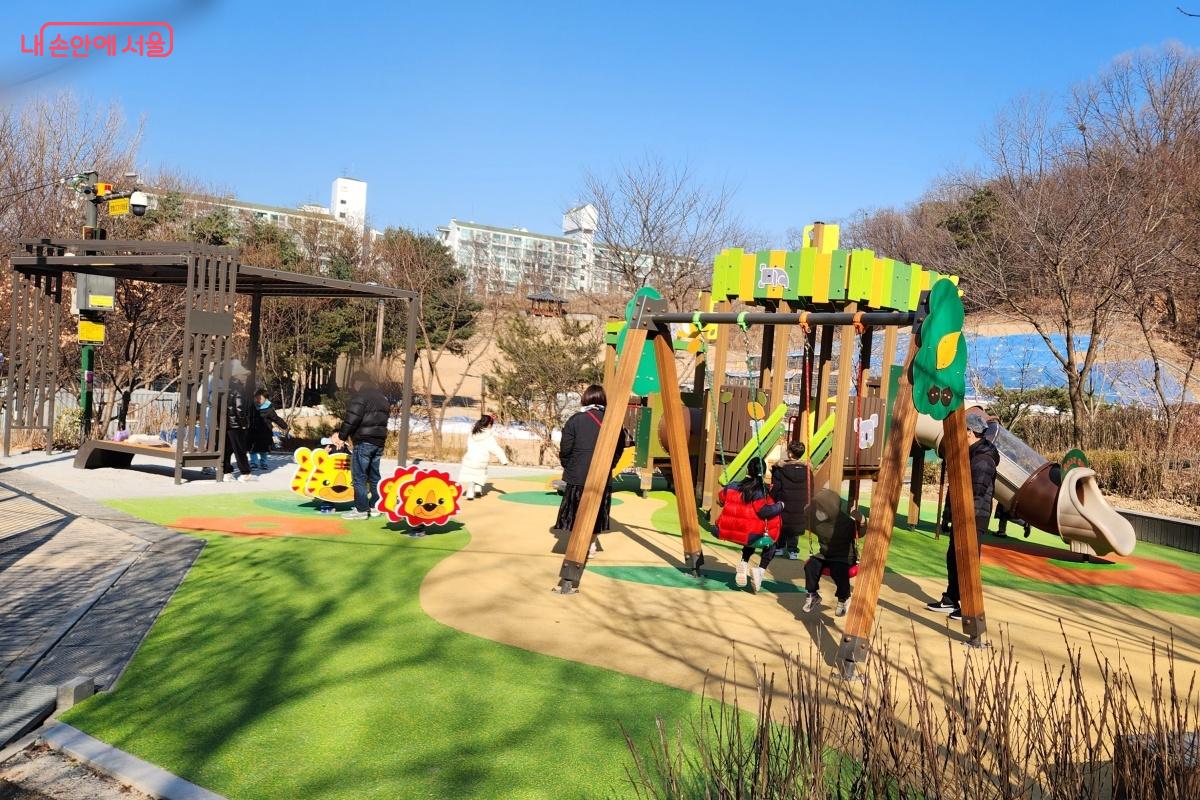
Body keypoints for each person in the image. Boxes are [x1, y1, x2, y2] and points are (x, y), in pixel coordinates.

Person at [926, 414, 1000, 620]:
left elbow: (974, 492)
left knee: (967, 561)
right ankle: (951, 599)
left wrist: (963, 516)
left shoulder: (983, 459)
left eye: (961, 429)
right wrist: (949, 514)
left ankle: (969, 607)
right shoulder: (968, 454)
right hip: (963, 514)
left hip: (974, 516)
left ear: (969, 432)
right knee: (954, 558)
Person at [554, 384, 629, 556]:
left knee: (575, 511)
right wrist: (610, 465)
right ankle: (591, 545)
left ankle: (577, 543)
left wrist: (569, 466)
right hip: (602, 475)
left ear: (586, 399)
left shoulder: (575, 420)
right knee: (597, 512)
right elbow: (619, 448)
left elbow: (566, 448)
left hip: (578, 474)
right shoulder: (613, 422)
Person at [716, 457, 784, 594]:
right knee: (771, 543)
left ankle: (744, 562)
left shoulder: (732, 486)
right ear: (763, 473)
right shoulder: (760, 491)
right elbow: (764, 511)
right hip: (749, 534)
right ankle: (760, 571)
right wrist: (780, 506)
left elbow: (721, 499)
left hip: (727, 531)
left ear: (747, 470)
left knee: (751, 533)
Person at [332, 371, 391, 521]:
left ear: (357, 382)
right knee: (374, 475)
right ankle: (376, 506)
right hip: (379, 442)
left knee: (359, 476)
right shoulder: (382, 398)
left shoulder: (360, 396)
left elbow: (352, 419)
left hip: (363, 441)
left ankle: (361, 509)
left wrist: (342, 436)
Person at [801, 489, 858, 615]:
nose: (819, 512)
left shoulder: (846, 522)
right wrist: (806, 512)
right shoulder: (817, 520)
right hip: (825, 555)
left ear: (830, 509)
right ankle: (812, 594)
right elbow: (805, 525)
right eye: (817, 508)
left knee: (838, 570)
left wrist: (862, 521)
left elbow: (860, 532)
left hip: (844, 556)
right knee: (810, 565)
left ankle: (844, 598)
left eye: (821, 509)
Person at [770, 441, 811, 560]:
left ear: (790, 454)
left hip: (784, 500)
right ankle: (793, 550)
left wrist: (772, 498)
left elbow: (776, 488)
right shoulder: (807, 470)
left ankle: (780, 547)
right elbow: (810, 487)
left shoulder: (781, 469)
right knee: (795, 524)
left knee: (782, 522)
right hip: (800, 502)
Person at [460, 414, 509, 499]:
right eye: (492, 424)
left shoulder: (473, 432)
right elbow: (495, 448)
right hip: (482, 459)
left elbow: (468, 445)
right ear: (489, 424)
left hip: (470, 457)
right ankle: (478, 489)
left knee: (471, 474)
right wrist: (504, 460)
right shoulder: (488, 435)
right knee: (481, 473)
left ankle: (470, 493)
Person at [223, 359, 255, 482]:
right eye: (244, 375)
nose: (246, 377)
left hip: (226, 423)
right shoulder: (239, 389)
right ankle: (245, 473)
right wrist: (244, 424)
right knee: (240, 449)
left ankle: (227, 472)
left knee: (227, 449)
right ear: (237, 375)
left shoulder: (226, 386)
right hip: (236, 424)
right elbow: (239, 408)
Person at [248, 389, 290, 471]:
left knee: (264, 450)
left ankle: (264, 463)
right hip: (253, 432)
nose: (258, 400)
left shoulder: (269, 409)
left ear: (266, 399)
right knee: (252, 449)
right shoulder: (253, 407)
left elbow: (276, 419)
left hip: (265, 433)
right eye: (256, 398)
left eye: (260, 398)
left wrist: (284, 426)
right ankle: (254, 463)